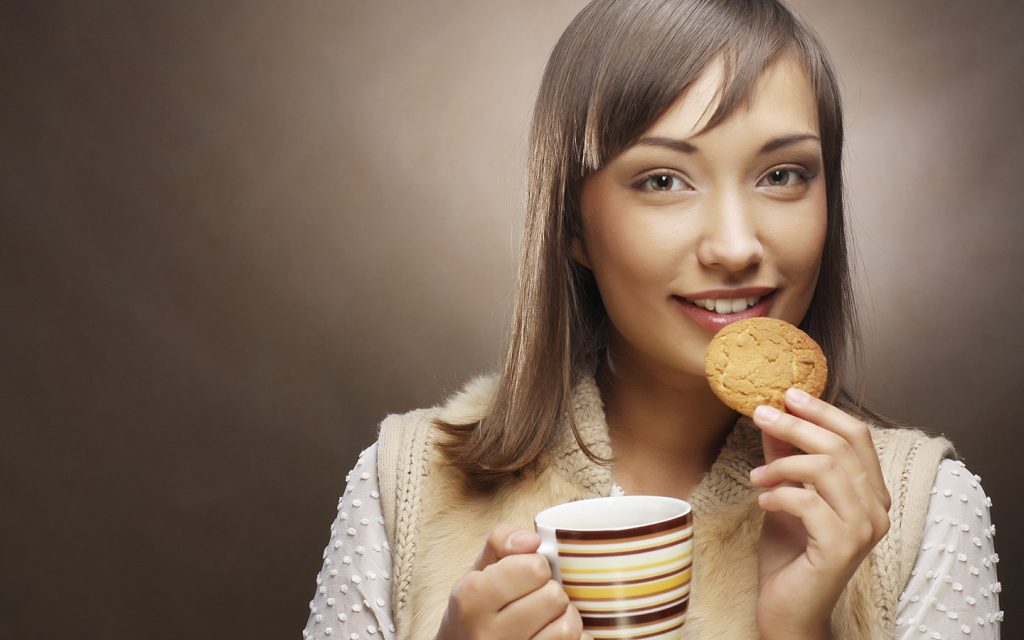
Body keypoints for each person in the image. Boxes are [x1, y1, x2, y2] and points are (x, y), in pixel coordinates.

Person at [303, 1, 1002, 638]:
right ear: (573, 223)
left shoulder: (921, 506)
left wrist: (798, 631)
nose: (735, 246)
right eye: (663, 180)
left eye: (783, 174)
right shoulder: (406, 483)